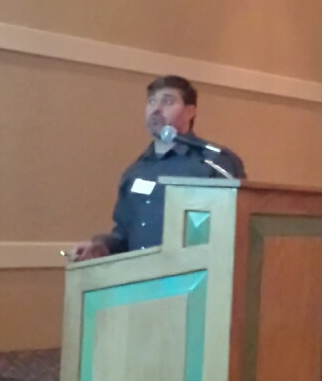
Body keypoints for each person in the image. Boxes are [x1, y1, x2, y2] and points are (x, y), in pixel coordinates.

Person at [70, 75, 246, 261]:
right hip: (140, 274)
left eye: (168, 101)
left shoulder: (213, 162)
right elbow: (123, 234)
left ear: (190, 112)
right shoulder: (137, 170)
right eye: (152, 101)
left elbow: (233, 229)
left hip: (191, 273)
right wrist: (102, 246)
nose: (156, 109)